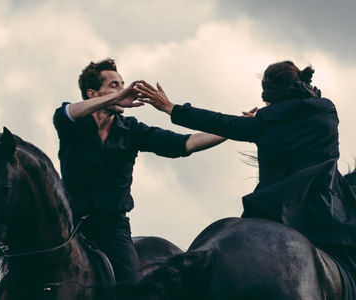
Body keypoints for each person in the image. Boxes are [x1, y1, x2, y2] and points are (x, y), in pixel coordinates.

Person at [135, 61, 356, 299]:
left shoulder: (262, 124)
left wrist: (171, 108)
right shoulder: (327, 112)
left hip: (270, 213)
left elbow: (220, 122)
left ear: (269, 97)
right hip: (320, 216)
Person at [52, 58, 226, 284]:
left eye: (122, 84)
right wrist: (117, 97)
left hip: (112, 227)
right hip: (70, 225)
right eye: (114, 85)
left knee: (133, 288)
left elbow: (186, 143)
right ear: (93, 94)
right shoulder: (72, 123)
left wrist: (232, 129)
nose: (123, 90)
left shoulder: (131, 130)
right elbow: (66, 112)